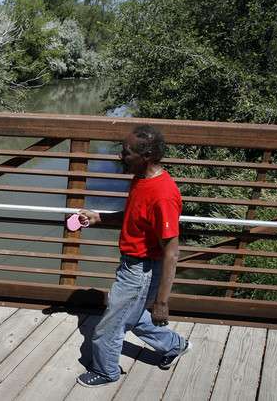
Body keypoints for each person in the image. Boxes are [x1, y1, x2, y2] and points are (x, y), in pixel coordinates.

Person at [75, 125, 191, 387]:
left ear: (146, 156)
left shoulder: (163, 195)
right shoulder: (141, 178)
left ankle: (106, 372)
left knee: (109, 327)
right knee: (132, 316)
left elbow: (172, 252)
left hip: (142, 270)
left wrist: (162, 303)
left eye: (126, 153)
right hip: (131, 264)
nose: (120, 157)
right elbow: (134, 219)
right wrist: (99, 217)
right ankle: (175, 346)